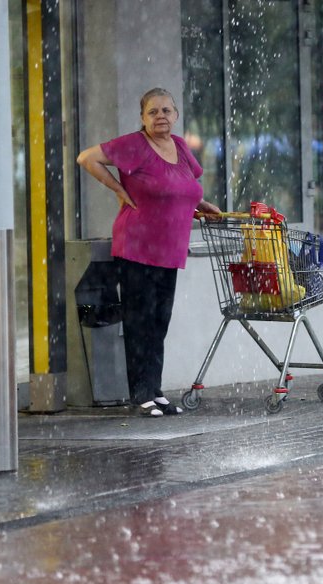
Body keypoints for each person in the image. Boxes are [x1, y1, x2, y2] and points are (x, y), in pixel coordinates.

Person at [77, 87, 221, 418]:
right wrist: (117, 188)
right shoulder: (134, 145)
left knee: (159, 323)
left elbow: (179, 185)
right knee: (140, 322)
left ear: (176, 115)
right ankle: (140, 394)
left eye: (166, 111)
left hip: (169, 250)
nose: (160, 117)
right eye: (153, 111)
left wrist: (199, 203)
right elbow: (87, 158)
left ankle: (154, 391)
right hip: (137, 247)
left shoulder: (181, 147)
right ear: (142, 118)